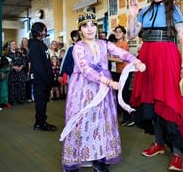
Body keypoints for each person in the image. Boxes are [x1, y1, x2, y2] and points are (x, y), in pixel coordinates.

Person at [61, 12, 145, 172]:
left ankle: (99, 159)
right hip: (83, 90)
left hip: (103, 91)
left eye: (92, 24)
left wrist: (136, 61)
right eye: (85, 26)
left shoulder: (104, 44)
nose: (90, 28)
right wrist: (108, 82)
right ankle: (74, 161)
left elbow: (122, 53)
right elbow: (85, 69)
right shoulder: (78, 47)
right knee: (82, 123)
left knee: (101, 122)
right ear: (80, 30)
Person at [127, 0, 183, 171]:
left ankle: (177, 153)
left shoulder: (174, 10)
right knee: (151, 103)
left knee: (170, 102)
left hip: (167, 57)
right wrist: (131, 15)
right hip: (147, 57)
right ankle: (158, 143)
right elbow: (131, 35)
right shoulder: (144, 11)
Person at [28, 22, 56, 131]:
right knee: (40, 102)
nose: (45, 32)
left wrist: (50, 79)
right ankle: (39, 124)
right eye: (44, 30)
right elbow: (38, 66)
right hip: (40, 80)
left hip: (45, 79)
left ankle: (42, 121)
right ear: (39, 31)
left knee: (43, 102)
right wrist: (46, 79)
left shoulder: (42, 44)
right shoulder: (34, 45)